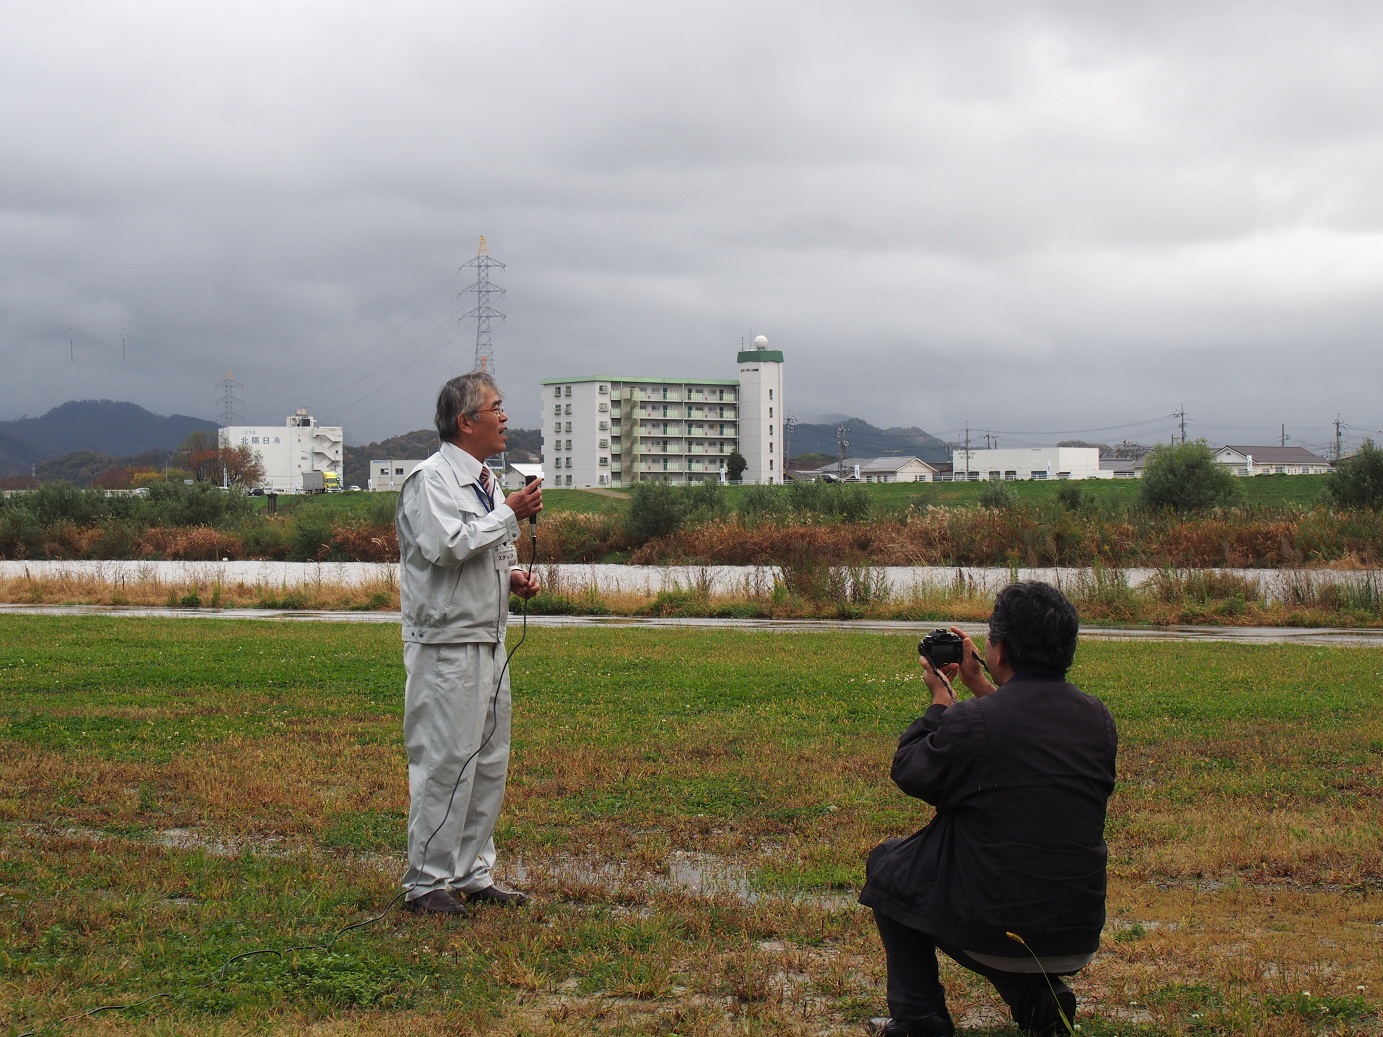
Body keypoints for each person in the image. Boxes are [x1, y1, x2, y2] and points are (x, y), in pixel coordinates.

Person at [858, 581, 1118, 1037]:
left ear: (999, 648)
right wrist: (980, 684)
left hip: (1002, 927)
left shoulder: (973, 722)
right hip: (1076, 932)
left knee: (887, 867)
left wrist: (941, 701)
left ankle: (920, 1020)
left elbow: (911, 771)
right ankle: (1036, 998)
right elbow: (1021, 738)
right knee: (1004, 883)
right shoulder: (1097, 718)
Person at [395, 371, 543, 916]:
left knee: (488, 762)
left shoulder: (482, 481)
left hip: (489, 638)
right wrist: (509, 514)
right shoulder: (428, 479)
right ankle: (426, 882)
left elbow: (477, 553)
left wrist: (510, 578)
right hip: (446, 645)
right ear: (466, 421)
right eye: (496, 408)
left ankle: (471, 872)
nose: (505, 417)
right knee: (445, 761)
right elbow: (445, 546)